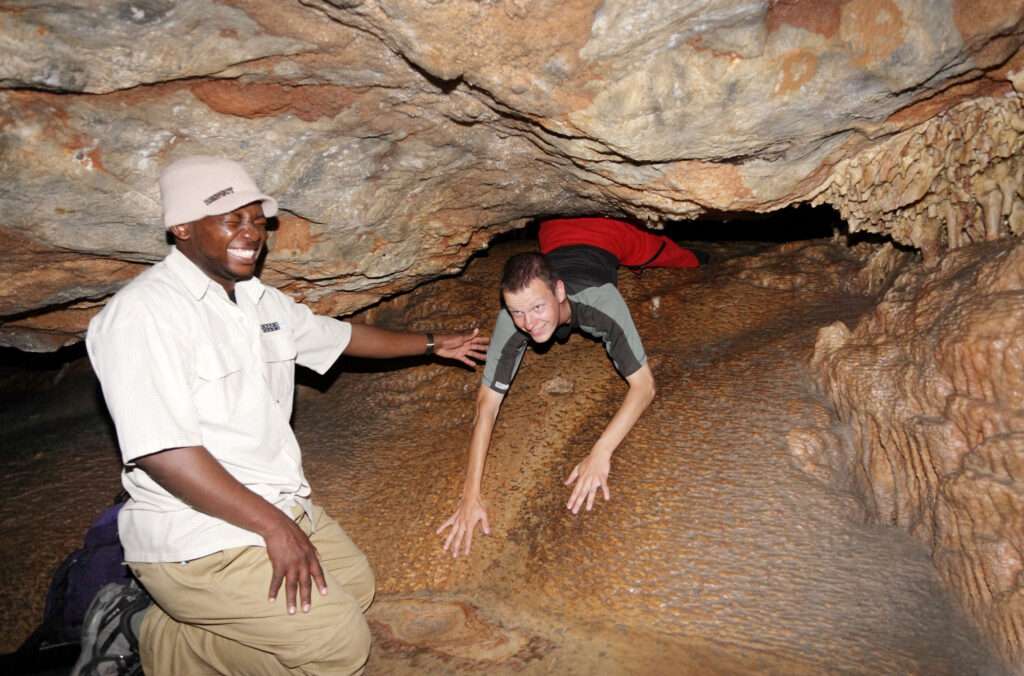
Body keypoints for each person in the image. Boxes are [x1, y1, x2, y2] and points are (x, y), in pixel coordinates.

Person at [78, 155, 488, 676]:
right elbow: (164, 452)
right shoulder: (143, 315)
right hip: (197, 536)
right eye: (232, 220)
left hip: (275, 500)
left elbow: (341, 337)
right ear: (181, 227)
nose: (252, 233)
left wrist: (433, 344)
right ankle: (140, 629)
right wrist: (274, 527)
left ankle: (167, 637)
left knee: (356, 589)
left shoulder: (256, 301)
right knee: (339, 642)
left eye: (257, 220)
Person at [437, 217, 706, 557]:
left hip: (611, 235)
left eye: (537, 307)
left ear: (560, 291)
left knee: (674, 256)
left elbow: (644, 386)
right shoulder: (513, 319)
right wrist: (469, 495)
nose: (529, 323)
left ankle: (700, 258)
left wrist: (601, 452)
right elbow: (485, 406)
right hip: (556, 232)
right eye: (518, 312)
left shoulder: (600, 301)